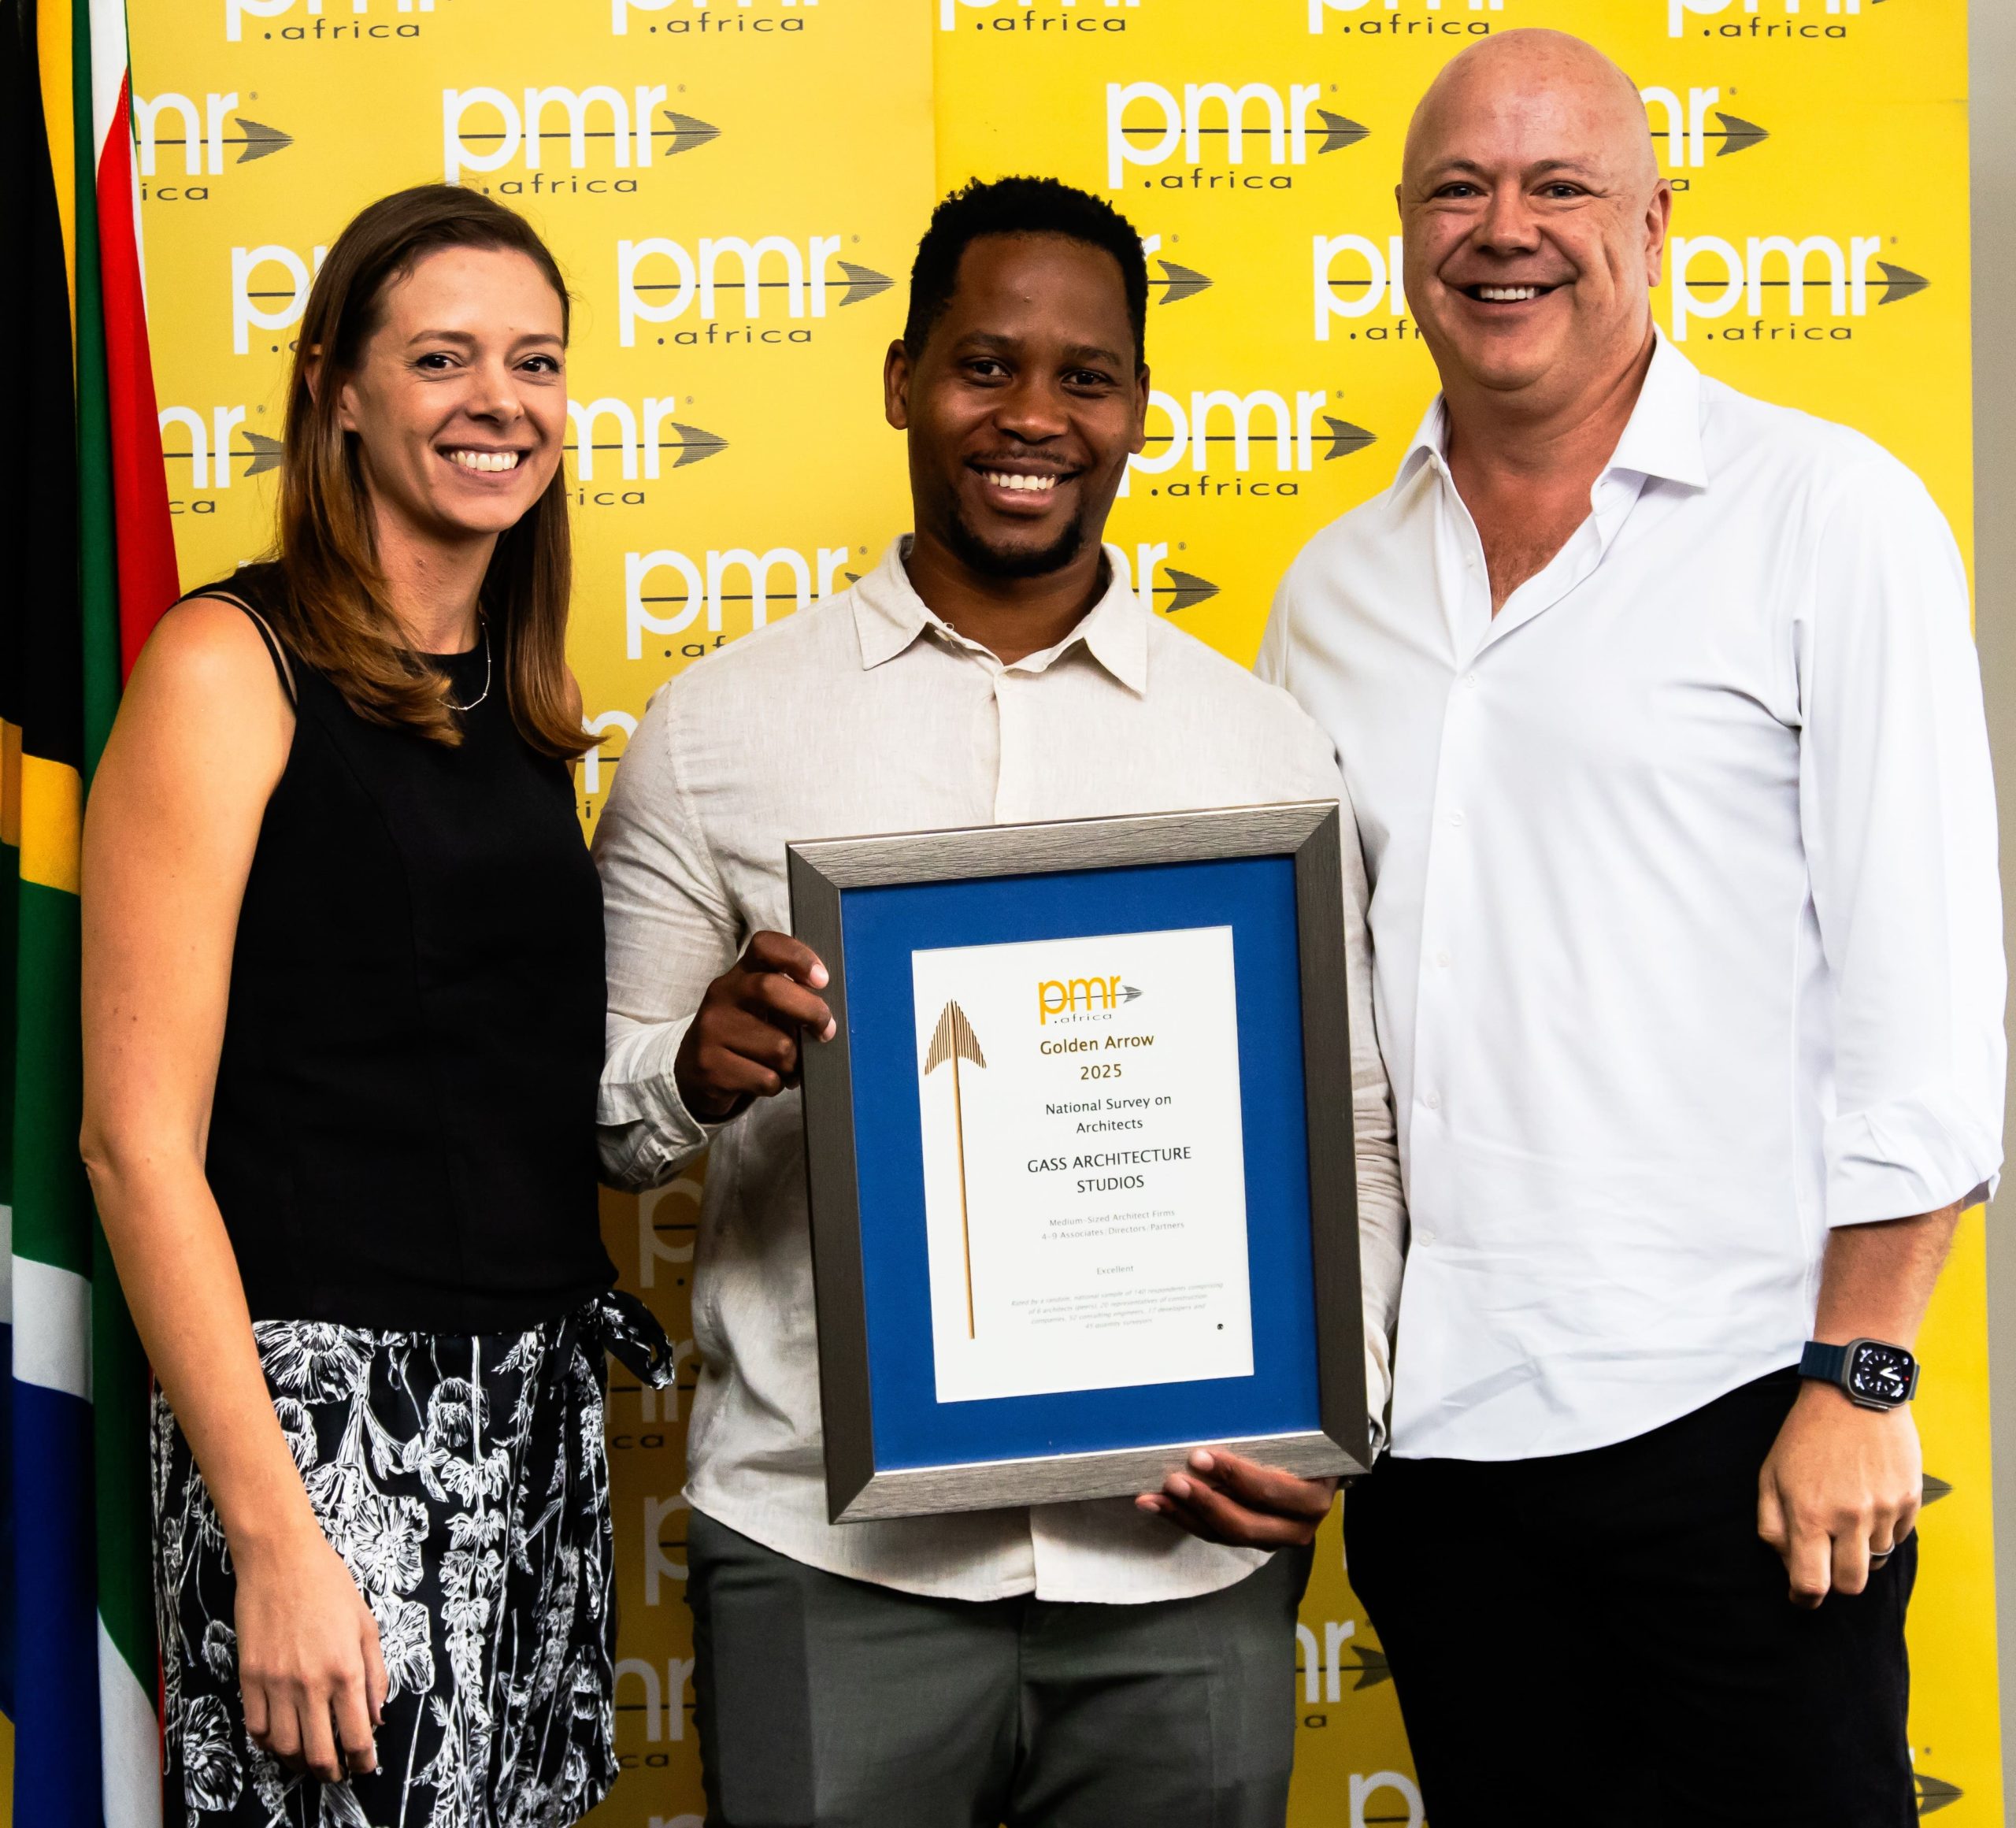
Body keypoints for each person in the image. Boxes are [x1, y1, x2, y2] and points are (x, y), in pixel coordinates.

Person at [592, 176, 1405, 1828]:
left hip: (1180, 1561)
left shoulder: (1259, 743)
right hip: (827, 1556)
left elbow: (1352, 1133)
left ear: (1139, 408)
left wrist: (1335, 1413)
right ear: (901, 379)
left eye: (1083, 377)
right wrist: (693, 1067)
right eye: (985, 365)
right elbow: (608, 1125)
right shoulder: (718, 729)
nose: (1033, 416)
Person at [1258, 30, 2003, 1828]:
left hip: (1747, 1416)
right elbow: (1300, 1031)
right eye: (1457, 188)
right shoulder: (1330, 592)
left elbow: (1923, 991)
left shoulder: (1825, 515)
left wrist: (1861, 1375)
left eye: (1559, 184)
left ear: (1654, 222)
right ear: (1400, 230)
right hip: (1440, 1447)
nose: (1503, 229)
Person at [80, 185, 671, 1828]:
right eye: (442, 357)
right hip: (326, 1441)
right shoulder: (229, 667)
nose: (501, 400)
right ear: (337, 389)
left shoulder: (521, 698)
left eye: (536, 361)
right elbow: (135, 1144)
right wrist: (273, 1530)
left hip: (534, 1418)